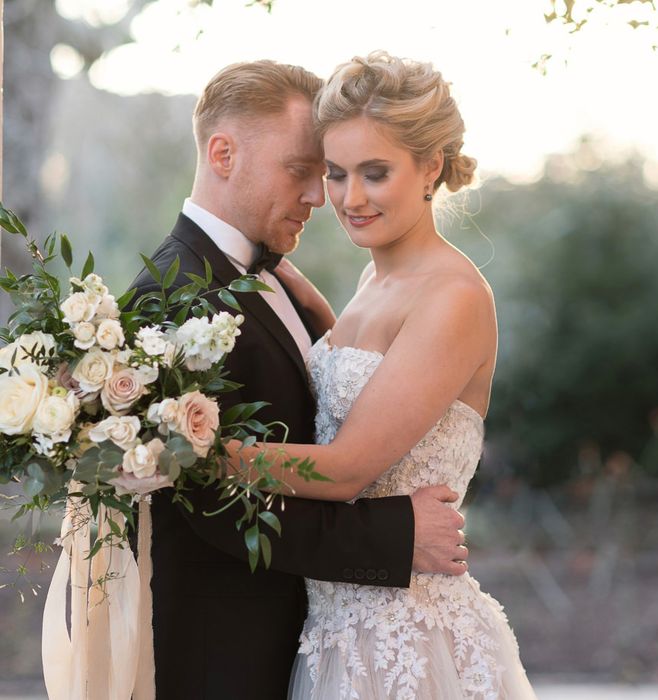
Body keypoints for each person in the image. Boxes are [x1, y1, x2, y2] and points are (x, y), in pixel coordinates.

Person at [129, 60, 468, 700]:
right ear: (223, 154)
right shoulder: (173, 297)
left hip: (331, 641)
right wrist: (392, 536)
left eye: (331, 171)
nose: (324, 196)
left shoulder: (279, 280)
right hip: (228, 655)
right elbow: (204, 505)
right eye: (304, 171)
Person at [229, 51, 537, 699]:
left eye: (375, 173)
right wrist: (288, 287)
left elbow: (345, 468)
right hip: (339, 628)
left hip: (409, 642)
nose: (349, 198)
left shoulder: (453, 296)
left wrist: (195, 453)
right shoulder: (377, 277)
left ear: (431, 167)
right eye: (336, 174)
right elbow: (363, 376)